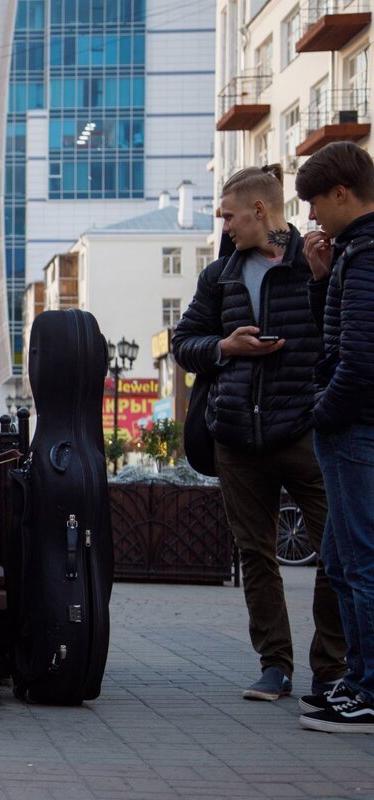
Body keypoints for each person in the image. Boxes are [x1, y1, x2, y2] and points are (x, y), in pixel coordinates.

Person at [172, 165, 346, 704]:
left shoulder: (319, 261)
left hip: (305, 432)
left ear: (260, 211)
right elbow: (184, 343)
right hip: (235, 437)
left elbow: (343, 338)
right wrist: (226, 348)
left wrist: (322, 283)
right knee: (255, 554)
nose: (223, 226)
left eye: (227, 215)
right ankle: (275, 665)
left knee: (337, 552)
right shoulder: (219, 275)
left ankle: (330, 667)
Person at [292, 141, 374, 733]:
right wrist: (323, 281)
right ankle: (356, 680)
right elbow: (341, 332)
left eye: (317, 203)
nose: (313, 217)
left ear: (342, 193)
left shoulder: (368, 253)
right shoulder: (352, 253)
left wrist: (322, 412)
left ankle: (368, 689)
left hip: (356, 428)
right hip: (349, 424)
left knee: (360, 561)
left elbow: (360, 356)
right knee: (344, 562)